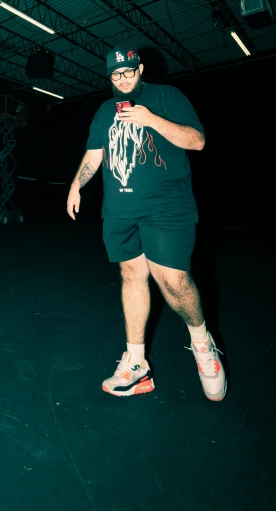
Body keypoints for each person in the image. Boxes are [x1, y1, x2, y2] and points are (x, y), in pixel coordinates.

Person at [66, 43, 227, 401]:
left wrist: (150, 119)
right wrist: (77, 183)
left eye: (128, 72)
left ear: (140, 71)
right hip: (120, 211)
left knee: (171, 279)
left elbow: (197, 141)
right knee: (131, 275)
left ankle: (202, 344)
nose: (122, 79)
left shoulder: (167, 96)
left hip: (166, 208)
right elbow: (96, 152)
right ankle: (136, 363)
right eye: (115, 74)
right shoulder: (104, 111)